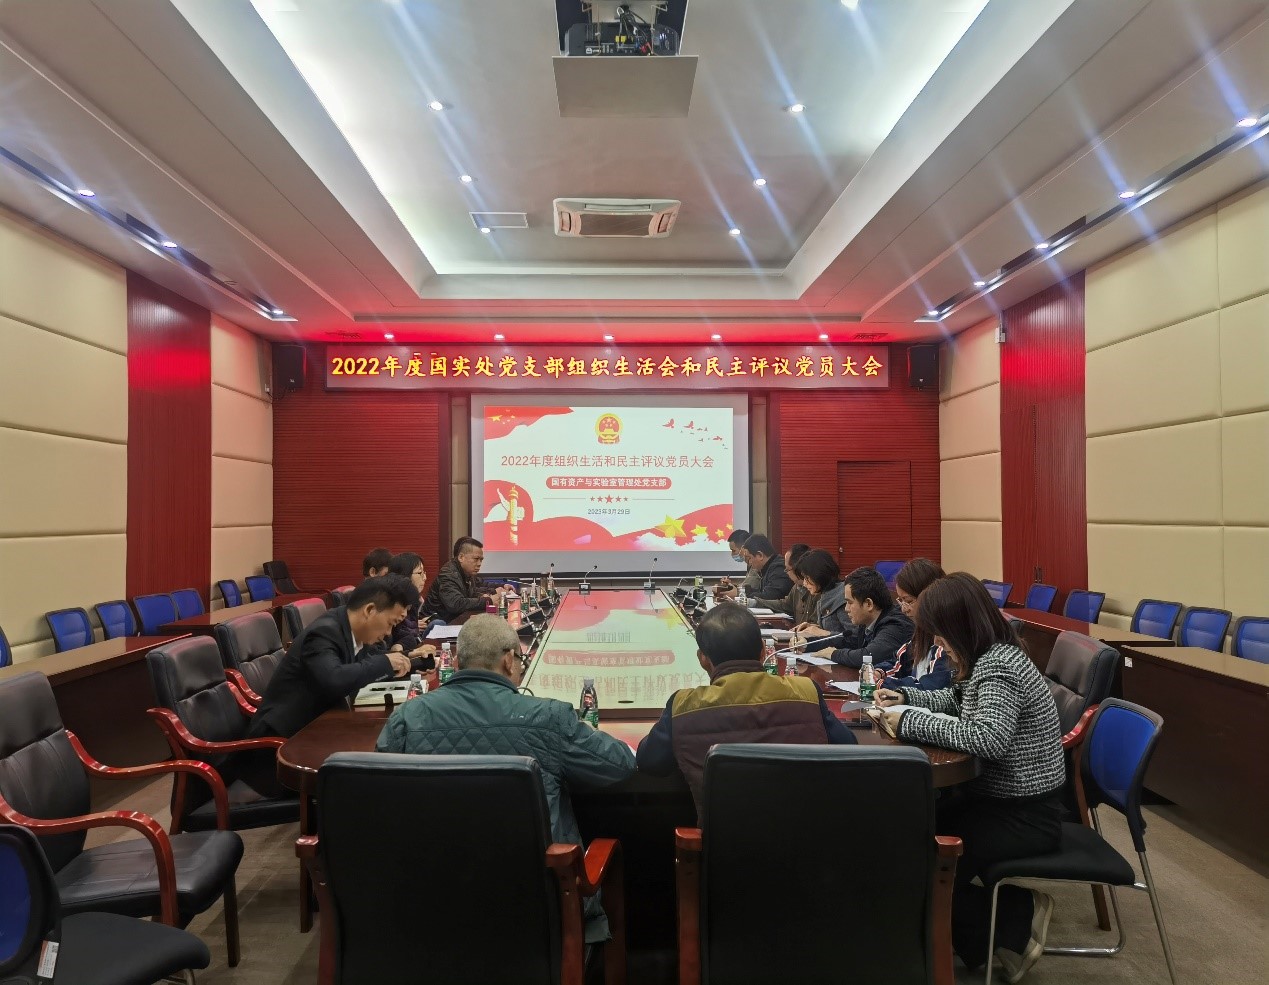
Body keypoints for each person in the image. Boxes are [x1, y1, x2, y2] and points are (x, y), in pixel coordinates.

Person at [376, 614, 635, 943]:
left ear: (457, 661)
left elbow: (379, 798)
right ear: (509, 660)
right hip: (539, 903)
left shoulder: (407, 717)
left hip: (434, 896)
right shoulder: (548, 717)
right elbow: (620, 764)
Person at [875, 573, 1064, 983]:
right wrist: (908, 697)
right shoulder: (985, 656)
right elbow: (958, 700)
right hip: (994, 800)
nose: (937, 642)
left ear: (960, 625)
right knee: (907, 839)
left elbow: (987, 738)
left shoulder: (998, 666)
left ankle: (1018, 915)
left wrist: (909, 722)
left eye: (940, 632)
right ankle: (976, 931)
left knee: (923, 861)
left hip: (1024, 815)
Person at [636, 604, 856, 819]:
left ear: (702, 659)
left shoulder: (683, 706)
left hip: (725, 842)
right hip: (808, 837)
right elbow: (849, 749)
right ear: (763, 651)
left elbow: (649, 762)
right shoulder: (805, 692)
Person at [248, 575, 416, 739]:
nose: (388, 633)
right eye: (390, 623)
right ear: (369, 610)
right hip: (282, 738)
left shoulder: (352, 627)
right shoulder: (324, 632)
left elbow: (369, 661)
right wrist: (386, 663)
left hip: (320, 725)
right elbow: (333, 678)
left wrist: (410, 659)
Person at [795, 560, 913, 669]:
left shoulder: (895, 625)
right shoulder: (867, 622)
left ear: (868, 604)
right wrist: (808, 644)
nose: (846, 609)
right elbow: (847, 641)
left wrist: (834, 654)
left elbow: (867, 657)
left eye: (850, 602)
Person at [879, 558, 952, 690]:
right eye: (900, 601)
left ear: (930, 597)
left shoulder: (947, 639)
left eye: (909, 601)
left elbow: (931, 688)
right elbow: (900, 663)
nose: (904, 609)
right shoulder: (921, 632)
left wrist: (884, 684)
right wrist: (879, 673)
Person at [422, 537, 510, 622]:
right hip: (434, 623)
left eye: (481, 560)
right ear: (461, 557)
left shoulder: (467, 572)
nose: (479, 564)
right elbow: (456, 604)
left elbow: (474, 590)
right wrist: (489, 600)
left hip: (453, 619)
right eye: (476, 559)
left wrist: (497, 589)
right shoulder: (448, 574)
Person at [386, 551, 440, 670]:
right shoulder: (390, 603)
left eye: (424, 573)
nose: (425, 578)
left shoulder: (415, 601)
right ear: (404, 575)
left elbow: (410, 637)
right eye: (420, 573)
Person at [751, 543, 815, 621]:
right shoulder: (796, 587)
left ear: (798, 568)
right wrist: (755, 602)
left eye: (787, 569)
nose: (786, 573)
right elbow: (784, 605)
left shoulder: (817, 590)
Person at [739, 534, 794, 601]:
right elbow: (762, 592)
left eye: (749, 558)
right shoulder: (767, 568)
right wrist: (743, 590)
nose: (749, 563)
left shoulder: (779, 568)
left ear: (760, 555)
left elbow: (769, 596)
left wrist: (741, 594)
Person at [713, 529, 759, 600]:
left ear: (743, 548)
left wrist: (723, 590)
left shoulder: (755, 565)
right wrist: (729, 586)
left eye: (733, 550)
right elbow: (746, 587)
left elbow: (745, 590)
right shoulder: (749, 565)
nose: (732, 554)